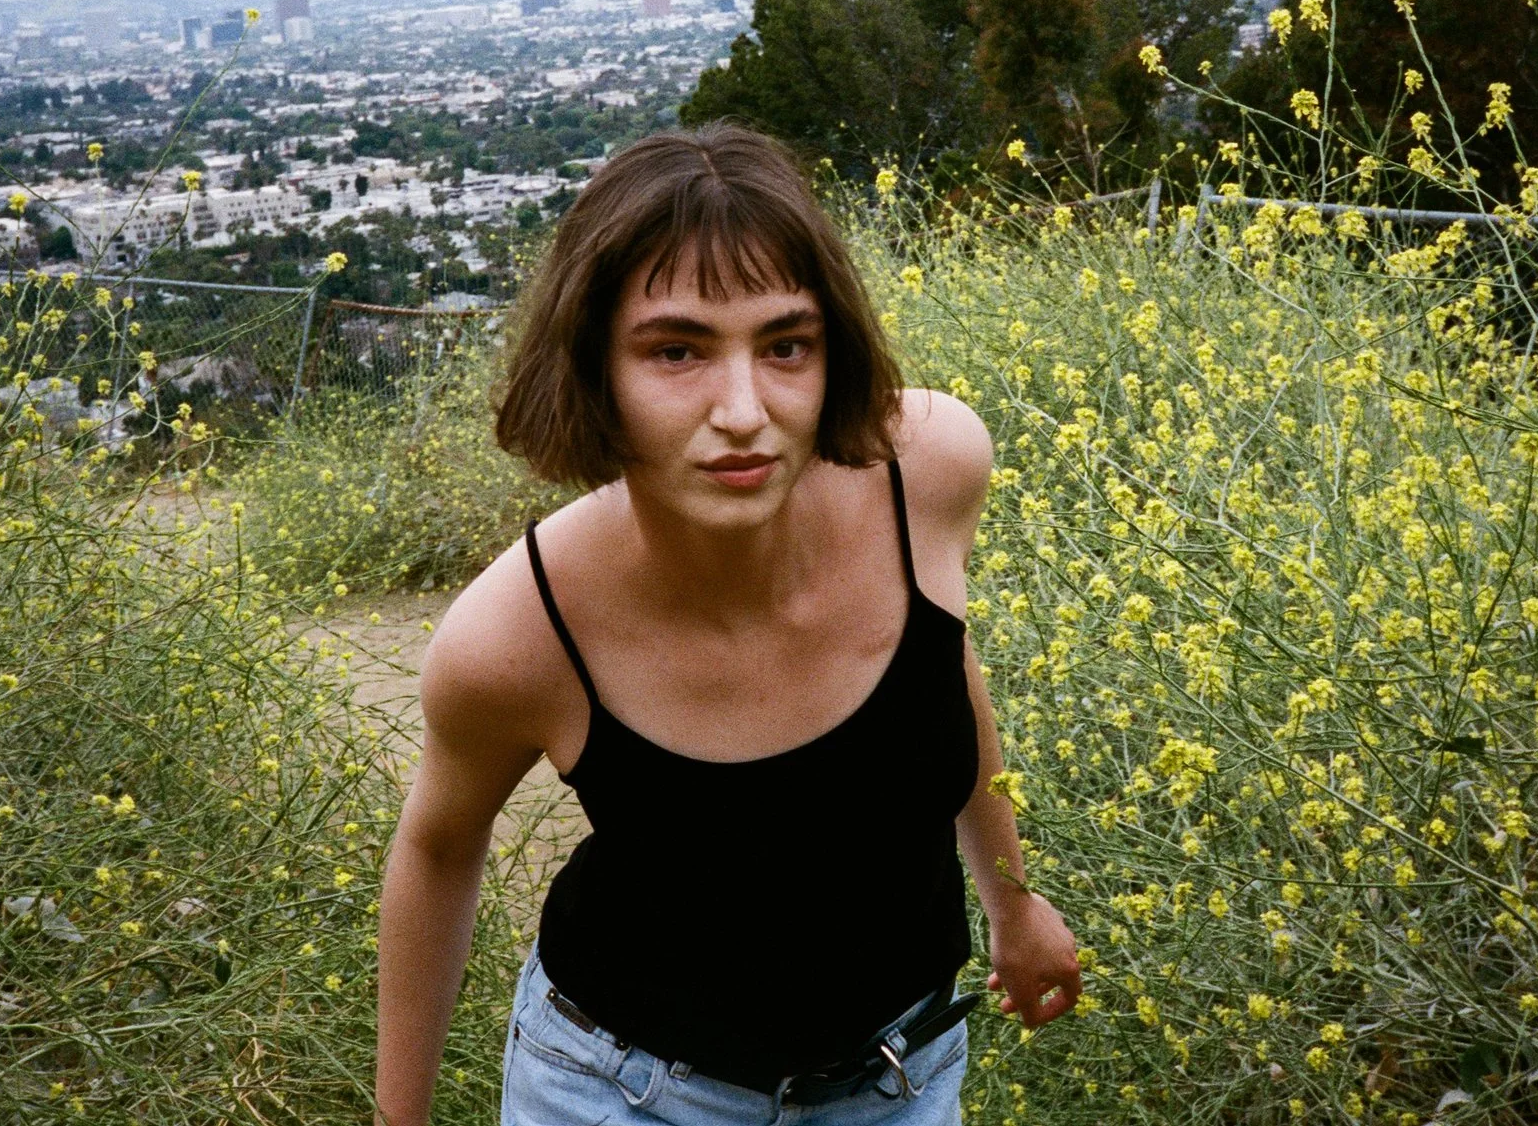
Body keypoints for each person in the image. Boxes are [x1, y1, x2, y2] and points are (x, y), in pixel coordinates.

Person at [375, 125, 1081, 1126]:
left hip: (898, 1083)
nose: (744, 408)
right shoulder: (517, 634)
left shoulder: (927, 469)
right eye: (677, 350)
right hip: (617, 1094)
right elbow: (438, 850)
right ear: (593, 369)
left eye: (785, 343)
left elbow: (940, 672)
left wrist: (1011, 901)